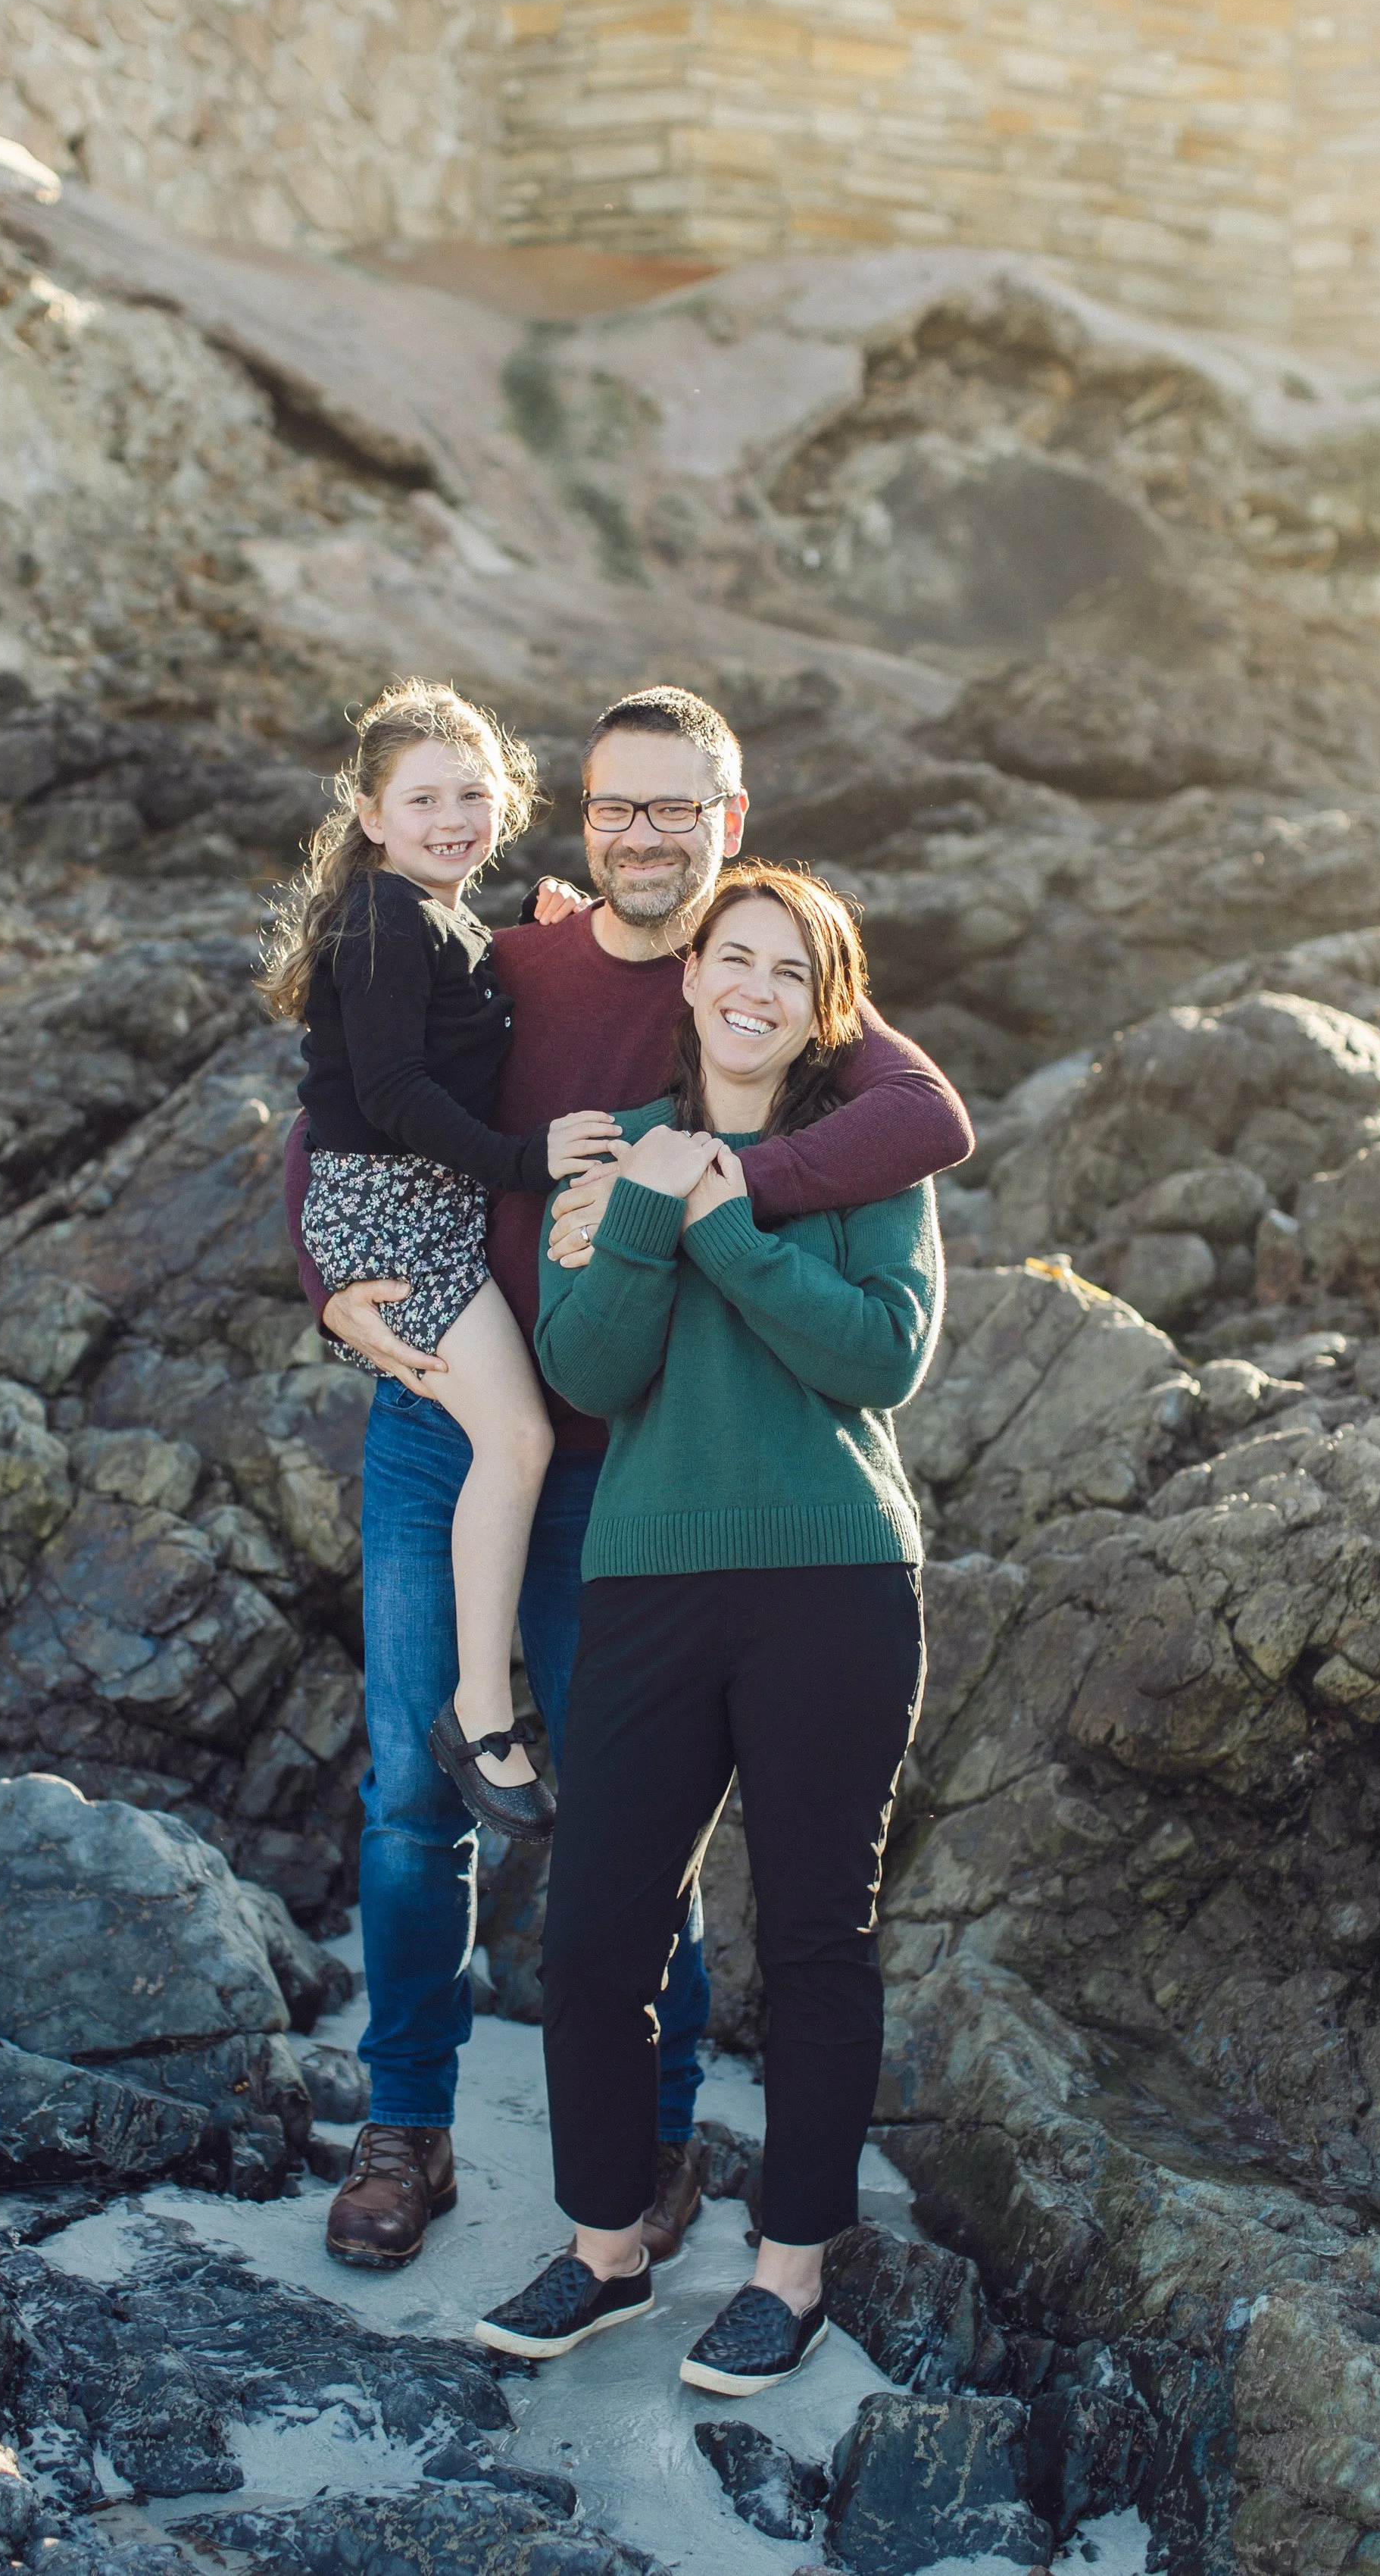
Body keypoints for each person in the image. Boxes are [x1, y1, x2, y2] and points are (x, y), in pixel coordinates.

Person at [281, 688, 973, 2274]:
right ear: (582, 819)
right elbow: (344, 1101)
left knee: (628, 1836)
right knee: (408, 1796)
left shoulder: (762, 975)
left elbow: (925, 1121)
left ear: (729, 822)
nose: (646, 835)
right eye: (619, 807)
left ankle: (653, 2149)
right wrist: (323, 1276)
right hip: (440, 1421)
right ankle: (406, 2132)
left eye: (678, 810)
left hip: (630, 1468)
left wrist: (712, 1182)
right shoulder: (506, 951)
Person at [475, 865, 937, 2396]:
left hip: (830, 1586)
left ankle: (788, 2272)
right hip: (648, 1587)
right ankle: (607, 2252)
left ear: (823, 1011)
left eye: (785, 976)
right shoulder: (618, 1167)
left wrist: (728, 1227)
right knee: (595, 1938)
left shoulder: (863, 1167)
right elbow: (591, 1373)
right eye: (728, 960)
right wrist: (654, 1216)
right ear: (687, 980)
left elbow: (875, 1358)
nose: (749, 989)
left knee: (812, 1942)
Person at [261, 680, 618, 1842]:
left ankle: (480, 1704)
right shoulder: (384, 921)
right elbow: (390, 1094)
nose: (452, 816)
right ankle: (479, 1712)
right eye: (423, 798)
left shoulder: (440, 922)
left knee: (504, 1443)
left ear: (508, 799)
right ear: (371, 813)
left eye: (473, 792)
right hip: (393, 1215)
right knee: (516, 1439)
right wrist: (528, 1159)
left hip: (413, 1209)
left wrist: (542, 933)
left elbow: (464, 1022)